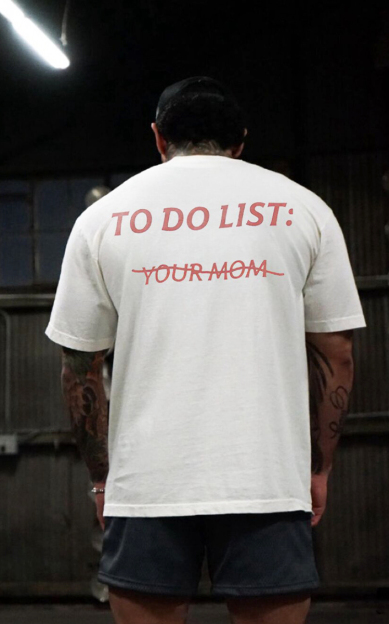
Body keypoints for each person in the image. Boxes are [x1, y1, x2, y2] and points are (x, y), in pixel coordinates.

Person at [45, 76, 367, 624]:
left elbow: (80, 367)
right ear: (241, 140)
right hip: (267, 481)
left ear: (157, 136)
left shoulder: (103, 218)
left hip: (146, 487)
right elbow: (335, 354)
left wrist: (102, 479)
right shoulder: (303, 209)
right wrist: (319, 468)